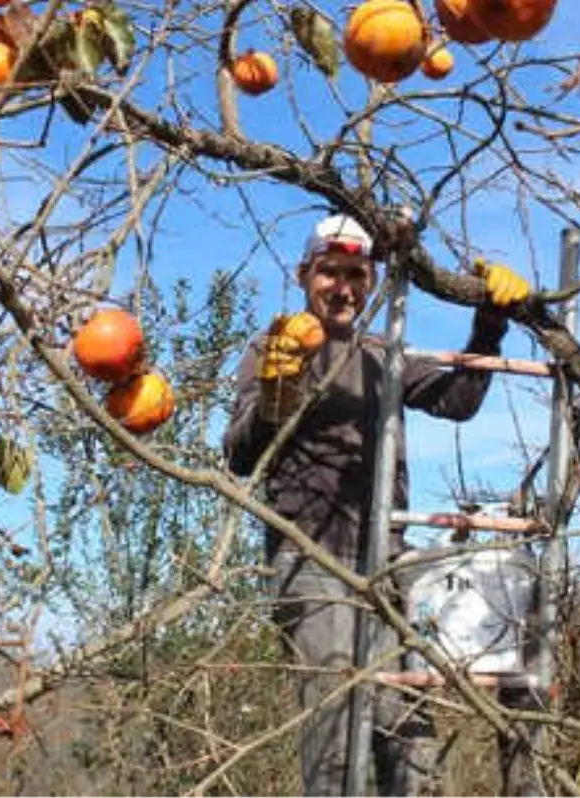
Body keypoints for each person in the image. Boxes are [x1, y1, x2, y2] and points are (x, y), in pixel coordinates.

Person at [224, 213, 529, 797]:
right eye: (329, 272)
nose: (343, 287)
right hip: (312, 560)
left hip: (387, 559)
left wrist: (489, 326)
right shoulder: (272, 347)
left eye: (356, 275)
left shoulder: (382, 351)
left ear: (371, 280)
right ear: (303, 274)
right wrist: (273, 397)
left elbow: (458, 400)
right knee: (340, 733)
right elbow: (238, 455)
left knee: (408, 737)